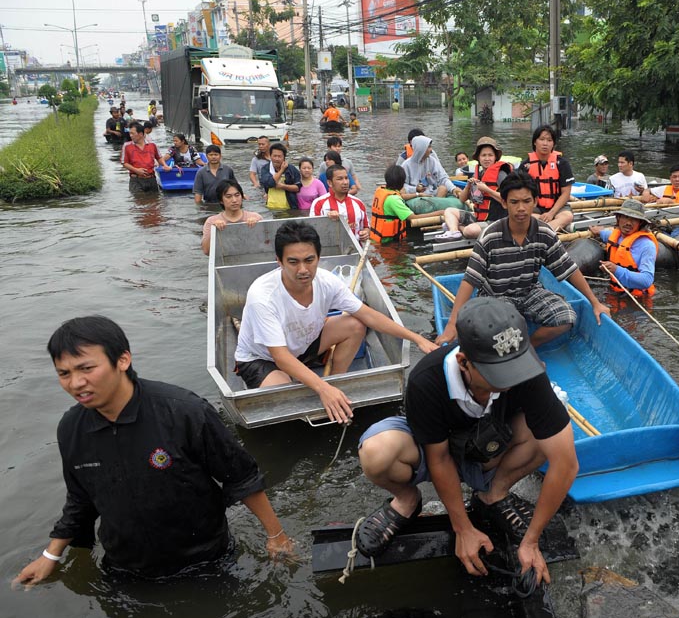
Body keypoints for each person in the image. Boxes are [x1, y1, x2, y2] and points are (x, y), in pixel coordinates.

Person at [13, 316, 292, 586]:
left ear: (122, 360)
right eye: (64, 373)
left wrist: (276, 535)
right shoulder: (71, 429)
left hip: (206, 561)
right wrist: (50, 555)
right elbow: (81, 498)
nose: (75, 383)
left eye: (86, 368)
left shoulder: (184, 412)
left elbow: (241, 477)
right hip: (124, 569)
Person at [354, 298, 579, 581]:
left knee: (552, 430)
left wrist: (531, 540)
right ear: (464, 362)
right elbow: (438, 458)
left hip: (491, 442)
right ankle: (406, 500)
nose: (512, 380)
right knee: (377, 452)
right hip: (436, 446)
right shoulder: (426, 380)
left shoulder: (527, 372)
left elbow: (566, 463)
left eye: (516, 368)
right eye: (499, 374)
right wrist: (462, 528)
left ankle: (493, 494)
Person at [233, 221, 438, 423]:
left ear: (318, 258)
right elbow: (281, 357)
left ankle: (336, 382)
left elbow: (368, 315)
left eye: (309, 260)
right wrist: (321, 389)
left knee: (355, 324)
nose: (303, 269)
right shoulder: (263, 296)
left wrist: (417, 338)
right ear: (279, 261)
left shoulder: (326, 282)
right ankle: (324, 388)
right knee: (285, 398)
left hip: (303, 343)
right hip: (262, 358)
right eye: (293, 262)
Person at [437, 173, 611, 347]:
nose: (521, 208)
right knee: (509, 324)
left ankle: (527, 348)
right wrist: (452, 324)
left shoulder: (544, 233)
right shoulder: (490, 236)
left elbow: (569, 269)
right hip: (496, 296)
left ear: (535, 202)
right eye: (514, 202)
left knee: (566, 317)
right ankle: (517, 351)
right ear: (504, 203)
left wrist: (595, 303)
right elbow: (470, 280)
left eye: (526, 201)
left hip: (529, 291)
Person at [438, 137, 513, 240]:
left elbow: (510, 200)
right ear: (478, 158)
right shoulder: (478, 174)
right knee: (449, 211)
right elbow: (462, 199)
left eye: (490, 155)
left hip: (496, 221)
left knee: (470, 231)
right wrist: (468, 186)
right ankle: (454, 231)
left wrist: (487, 190)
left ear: (495, 157)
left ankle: (458, 227)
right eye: (483, 155)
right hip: (479, 218)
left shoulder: (501, 174)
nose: (487, 158)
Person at [587, 199, 657, 297]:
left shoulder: (647, 246)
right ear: (618, 218)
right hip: (615, 291)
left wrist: (616, 270)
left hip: (638, 298)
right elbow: (607, 235)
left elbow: (647, 280)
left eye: (634, 219)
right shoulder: (616, 236)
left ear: (640, 223)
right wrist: (599, 231)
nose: (628, 223)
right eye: (625, 217)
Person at [517, 125, 574, 232]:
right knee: (523, 216)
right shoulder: (525, 165)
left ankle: (544, 230)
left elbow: (566, 193)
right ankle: (548, 228)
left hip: (557, 206)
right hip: (535, 207)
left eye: (549, 140)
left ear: (553, 144)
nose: (545, 143)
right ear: (535, 142)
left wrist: (551, 213)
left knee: (568, 216)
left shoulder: (562, 164)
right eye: (542, 139)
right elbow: (520, 192)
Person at [309, 165, 370, 243]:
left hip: (355, 248)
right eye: (340, 179)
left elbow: (366, 227)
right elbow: (312, 232)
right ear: (330, 183)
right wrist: (326, 219)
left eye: (346, 178)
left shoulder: (358, 203)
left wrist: (365, 233)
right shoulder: (319, 204)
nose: (345, 182)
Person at [201, 180, 263, 255]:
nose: (234, 200)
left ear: (242, 196)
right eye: (228, 197)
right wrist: (214, 231)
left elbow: (266, 245)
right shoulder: (212, 221)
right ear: (221, 200)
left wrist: (257, 227)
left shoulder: (256, 217)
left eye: (237, 195)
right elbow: (206, 251)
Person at [402, 135, 463, 199]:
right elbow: (402, 187)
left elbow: (443, 178)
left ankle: (435, 203)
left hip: (431, 192)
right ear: (421, 149)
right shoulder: (406, 165)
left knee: (443, 189)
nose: (431, 150)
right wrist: (415, 189)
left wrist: (453, 189)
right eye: (429, 147)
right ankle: (435, 204)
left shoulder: (432, 161)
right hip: (415, 195)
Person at [122, 121, 171, 194]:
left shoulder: (152, 145)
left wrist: (165, 165)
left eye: (132, 133)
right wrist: (136, 170)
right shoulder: (127, 146)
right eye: (130, 133)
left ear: (141, 134)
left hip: (151, 179)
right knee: (139, 199)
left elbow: (159, 157)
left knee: (154, 200)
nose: (130, 135)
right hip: (136, 180)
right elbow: (124, 163)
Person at [370, 165, 415, 244]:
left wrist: (418, 194)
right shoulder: (394, 200)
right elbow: (413, 218)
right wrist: (438, 213)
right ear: (402, 183)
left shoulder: (382, 191)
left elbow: (400, 196)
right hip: (388, 243)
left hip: (376, 239)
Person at [257, 144, 301, 210]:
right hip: (271, 207)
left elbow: (298, 188)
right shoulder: (265, 169)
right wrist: (281, 170)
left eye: (279, 156)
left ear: (284, 157)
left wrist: (283, 186)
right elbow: (270, 183)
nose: (277, 159)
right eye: (274, 156)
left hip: (290, 207)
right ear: (270, 156)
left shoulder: (291, 169)